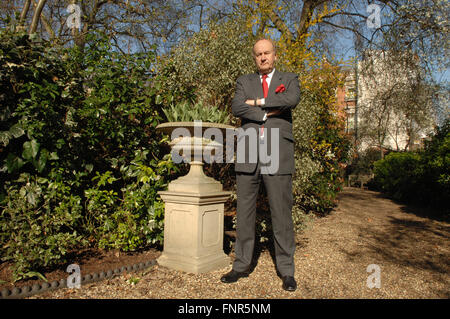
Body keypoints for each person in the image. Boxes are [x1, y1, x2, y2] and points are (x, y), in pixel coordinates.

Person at [220, 38, 301, 291]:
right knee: (244, 213)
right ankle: (241, 265)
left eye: (267, 53)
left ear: (275, 55)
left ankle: (286, 271)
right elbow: (236, 106)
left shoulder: (289, 79)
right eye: (258, 54)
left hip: (278, 150)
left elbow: (291, 100)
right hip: (247, 150)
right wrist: (265, 112)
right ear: (254, 57)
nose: (263, 57)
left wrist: (254, 103)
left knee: (281, 213)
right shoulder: (245, 81)